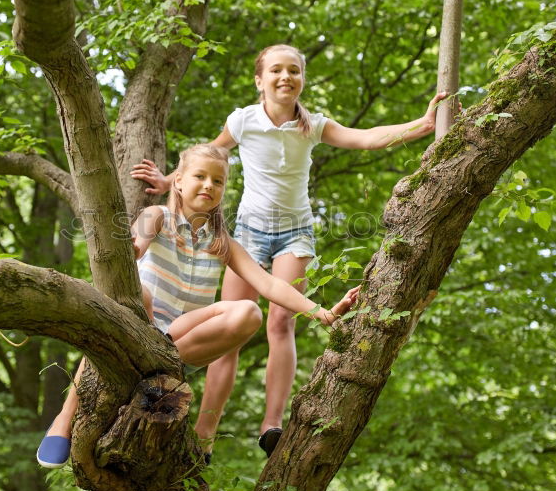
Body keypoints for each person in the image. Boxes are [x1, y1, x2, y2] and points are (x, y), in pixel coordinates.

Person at [132, 44, 446, 457]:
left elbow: (366, 138)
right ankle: (205, 435)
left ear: (301, 80)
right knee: (232, 335)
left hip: (294, 232)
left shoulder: (312, 125)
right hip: (247, 233)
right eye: (276, 70)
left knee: (281, 320)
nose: (286, 77)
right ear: (260, 80)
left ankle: (271, 424)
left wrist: (421, 125)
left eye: (294, 71)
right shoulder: (243, 121)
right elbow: (207, 156)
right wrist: (166, 179)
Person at [36, 143, 359, 468]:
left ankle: (164, 372)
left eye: (217, 181)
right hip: (139, 325)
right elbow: (136, 243)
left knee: (248, 312)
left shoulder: (222, 242)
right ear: (178, 181)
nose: (208, 185)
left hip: (178, 341)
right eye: (200, 176)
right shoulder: (157, 216)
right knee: (142, 294)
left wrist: (320, 311)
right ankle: (65, 419)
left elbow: (270, 284)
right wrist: (129, 249)